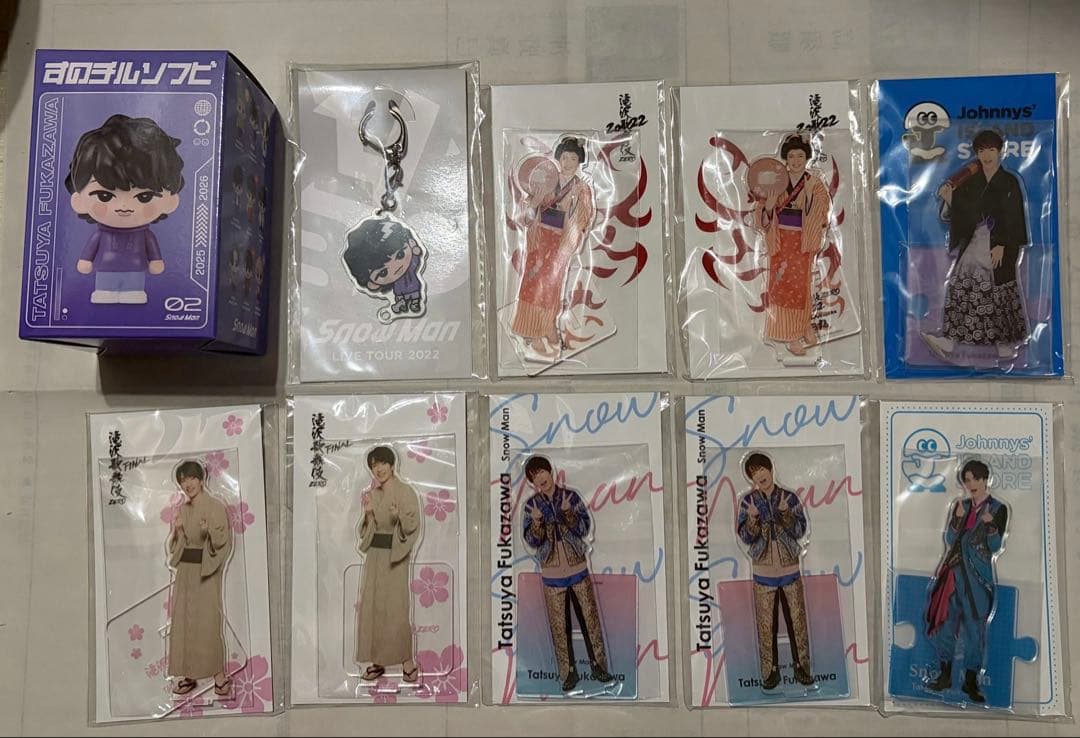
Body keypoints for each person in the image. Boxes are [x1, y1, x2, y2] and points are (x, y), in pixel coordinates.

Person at [923, 130, 1029, 362]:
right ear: (977, 154)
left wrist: (1002, 244)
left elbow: (1015, 218)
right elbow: (963, 215)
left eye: (991, 150)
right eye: (981, 151)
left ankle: (1004, 345)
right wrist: (950, 198)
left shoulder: (1009, 182)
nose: (986, 155)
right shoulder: (972, 181)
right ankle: (950, 341)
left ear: (999, 152)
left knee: (999, 293)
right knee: (961, 288)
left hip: (999, 246)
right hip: (975, 243)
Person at [66, 114, 184, 305]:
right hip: (105, 269)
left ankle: (133, 293)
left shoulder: (145, 235)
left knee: (134, 291)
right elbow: (91, 248)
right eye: (105, 196)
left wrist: (155, 261)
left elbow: (152, 248)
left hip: (135, 270)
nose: (124, 207)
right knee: (105, 290)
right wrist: (85, 260)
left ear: (170, 201)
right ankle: (105, 292)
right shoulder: (101, 234)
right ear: (79, 201)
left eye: (144, 197)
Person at [520, 455, 613, 692]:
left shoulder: (570, 497)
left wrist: (569, 513)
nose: (540, 478)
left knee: (590, 619)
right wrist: (537, 523)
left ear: (550, 471)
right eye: (534, 476)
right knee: (559, 627)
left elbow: (584, 528)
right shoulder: (531, 506)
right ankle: (568, 673)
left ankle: (599, 666)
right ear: (531, 482)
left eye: (542, 472)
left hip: (578, 568)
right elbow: (531, 540)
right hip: (551, 574)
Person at [924, 459, 1008, 704]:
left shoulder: (998, 508)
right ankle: (945, 675)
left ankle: (970, 681)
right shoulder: (961, 506)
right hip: (953, 573)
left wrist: (990, 524)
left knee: (975, 629)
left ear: (985, 479)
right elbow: (951, 540)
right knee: (945, 623)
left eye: (975, 479)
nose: (971, 484)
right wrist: (956, 520)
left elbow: (994, 546)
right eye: (967, 480)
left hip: (977, 578)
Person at [511, 136, 596, 359]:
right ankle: (532, 332)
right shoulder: (546, 179)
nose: (568, 162)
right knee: (533, 283)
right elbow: (525, 214)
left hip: (560, 241)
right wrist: (535, 202)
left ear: (579, 161)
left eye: (573, 158)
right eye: (564, 157)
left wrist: (571, 217)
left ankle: (548, 324)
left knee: (553, 285)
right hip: (540, 239)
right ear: (558, 158)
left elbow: (584, 217)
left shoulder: (582, 188)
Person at [735, 452, 814, 690]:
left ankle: (802, 667)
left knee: (797, 620)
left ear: (770, 469)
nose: (760, 475)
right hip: (763, 572)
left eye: (762, 469)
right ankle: (769, 671)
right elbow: (745, 537)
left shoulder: (788, 497)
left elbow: (800, 530)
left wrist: (786, 513)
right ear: (751, 478)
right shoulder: (748, 502)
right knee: (765, 624)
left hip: (790, 569)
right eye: (754, 473)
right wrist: (752, 520)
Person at [753, 133, 832, 356]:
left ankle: (804, 325)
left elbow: (823, 211)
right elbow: (761, 214)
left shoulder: (814, 183)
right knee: (782, 288)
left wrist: (809, 199)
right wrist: (769, 206)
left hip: (803, 241)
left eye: (800, 156)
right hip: (781, 241)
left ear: (806, 158)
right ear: (785, 159)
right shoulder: (777, 182)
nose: (796, 160)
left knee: (802, 286)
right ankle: (790, 335)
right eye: (791, 156)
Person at [355, 446, 421, 683]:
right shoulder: (372, 495)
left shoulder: (405, 492)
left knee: (396, 609)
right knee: (373, 608)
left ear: (392, 465)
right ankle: (378, 660)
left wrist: (398, 517)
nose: (378, 469)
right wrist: (369, 514)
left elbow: (412, 525)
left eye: (383, 463)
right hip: (375, 557)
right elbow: (364, 533)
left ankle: (407, 661)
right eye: (374, 465)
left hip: (395, 556)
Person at [166, 461, 232, 697]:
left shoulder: (215, 506)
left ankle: (219, 677)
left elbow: (222, 541)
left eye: (192, 478)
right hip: (186, 572)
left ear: (201, 479)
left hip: (206, 571)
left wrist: (208, 532)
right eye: (183, 480)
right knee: (185, 621)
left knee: (207, 622)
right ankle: (189, 674)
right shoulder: (183, 510)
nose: (188, 484)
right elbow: (175, 548)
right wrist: (178, 530)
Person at [342, 216, 427, 318]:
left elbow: (416, 256)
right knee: (400, 297)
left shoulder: (410, 268)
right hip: (399, 293)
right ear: (373, 284)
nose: (396, 267)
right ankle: (402, 304)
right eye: (383, 272)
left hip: (414, 289)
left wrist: (415, 249)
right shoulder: (393, 283)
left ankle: (414, 303)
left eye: (400, 254)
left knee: (414, 297)